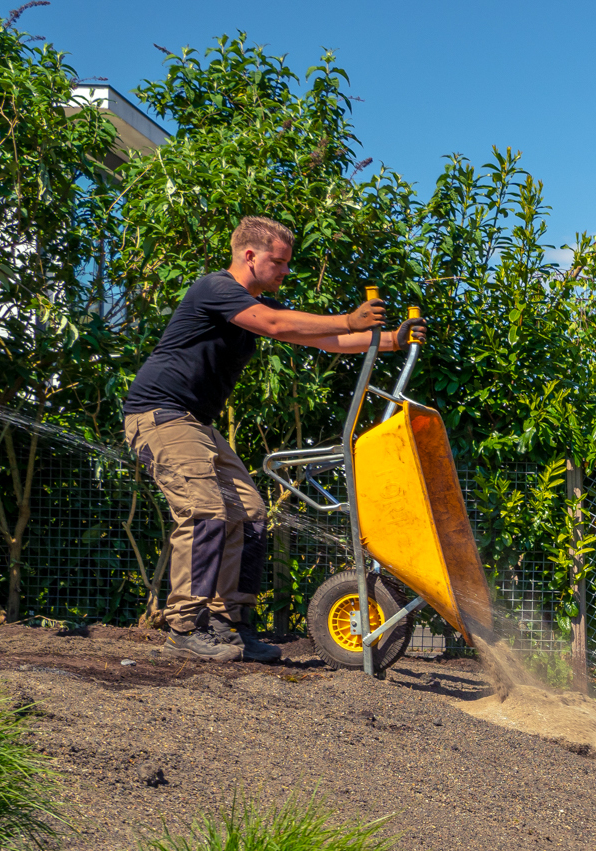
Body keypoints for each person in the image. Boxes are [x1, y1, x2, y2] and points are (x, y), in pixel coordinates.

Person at [123, 215, 426, 661]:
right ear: (249, 255)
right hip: (161, 415)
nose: (286, 270)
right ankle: (186, 629)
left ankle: (230, 626)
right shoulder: (215, 288)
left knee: (249, 514)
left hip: (196, 423)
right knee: (205, 509)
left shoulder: (253, 304)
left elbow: (328, 341)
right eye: (279, 261)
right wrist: (348, 316)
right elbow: (278, 326)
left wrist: (391, 340)